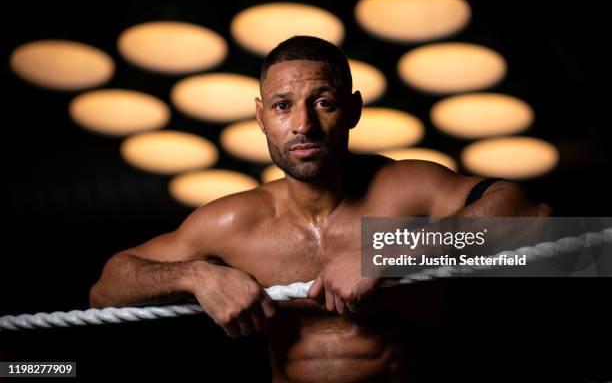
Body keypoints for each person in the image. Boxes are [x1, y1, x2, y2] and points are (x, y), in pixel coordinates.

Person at [90, 36, 551, 382]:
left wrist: (387, 253)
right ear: (261, 117)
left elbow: (528, 216)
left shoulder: (408, 187)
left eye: (323, 103)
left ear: (352, 110)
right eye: (282, 106)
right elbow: (107, 289)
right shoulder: (234, 222)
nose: (303, 125)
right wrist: (195, 275)